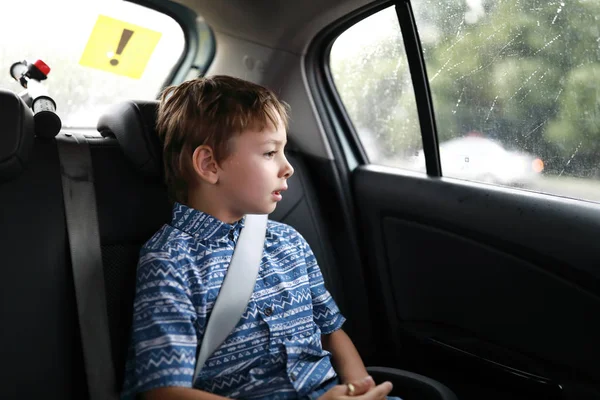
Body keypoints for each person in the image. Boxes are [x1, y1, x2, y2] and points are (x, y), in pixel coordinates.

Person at [121, 75, 397, 400]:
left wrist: (360, 387)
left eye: (284, 151)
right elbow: (164, 392)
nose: (288, 168)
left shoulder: (289, 242)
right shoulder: (171, 261)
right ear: (209, 164)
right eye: (270, 153)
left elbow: (331, 332)